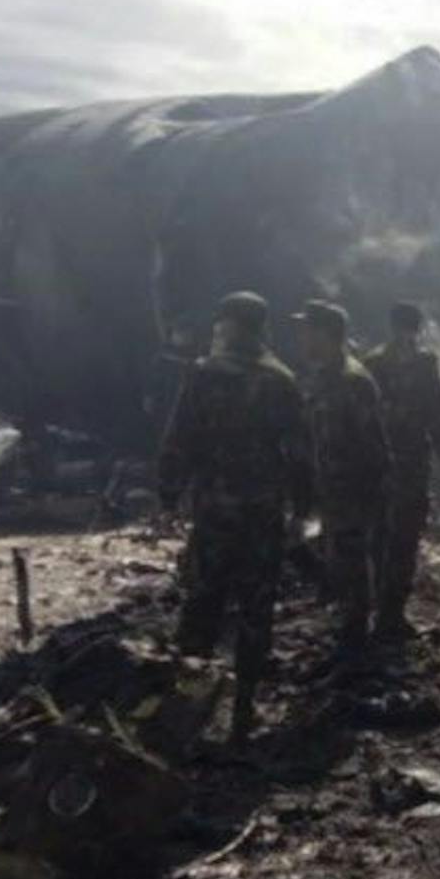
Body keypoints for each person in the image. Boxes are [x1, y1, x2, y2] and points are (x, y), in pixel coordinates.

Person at [157, 292, 313, 740]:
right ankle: (244, 709)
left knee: (202, 603)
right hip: (263, 514)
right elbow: (301, 455)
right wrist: (302, 509)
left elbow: (178, 438)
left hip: (214, 512)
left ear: (229, 325)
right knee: (255, 609)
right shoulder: (281, 381)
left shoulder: (203, 374)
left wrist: (168, 493)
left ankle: (184, 705)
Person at [296, 301, 391, 665]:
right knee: (338, 567)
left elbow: (374, 448)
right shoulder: (322, 377)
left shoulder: (353, 381)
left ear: (326, 333)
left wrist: (371, 503)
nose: (301, 336)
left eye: (307, 329)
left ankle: (356, 648)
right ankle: (347, 639)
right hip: (332, 495)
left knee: (353, 569)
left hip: (352, 495)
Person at [366, 301, 440, 644]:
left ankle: (384, 611)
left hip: (385, 465)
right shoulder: (417, 364)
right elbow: (438, 413)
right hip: (401, 465)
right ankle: (388, 612)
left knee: (388, 536)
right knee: (397, 537)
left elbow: (437, 412)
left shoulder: (373, 362)